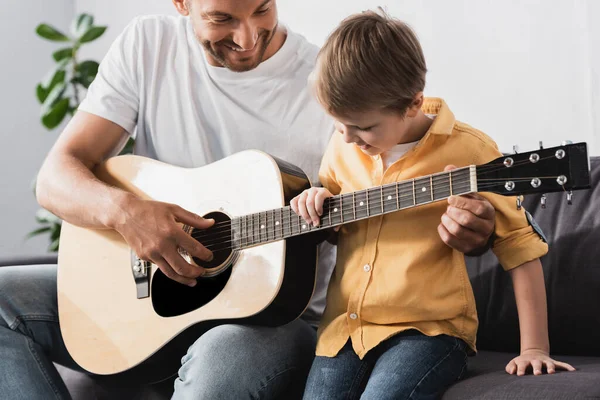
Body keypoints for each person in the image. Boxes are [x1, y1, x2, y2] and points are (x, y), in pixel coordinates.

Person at [0, 1, 496, 399]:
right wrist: (126, 213)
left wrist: (474, 230)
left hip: (281, 314)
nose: (247, 38)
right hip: (152, 297)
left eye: (262, 10)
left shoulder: (329, 87)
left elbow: (401, 182)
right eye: (222, 18)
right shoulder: (145, 46)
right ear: (181, 4)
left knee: (221, 358)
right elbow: (55, 178)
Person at [290, 9, 576, 400]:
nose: (349, 138)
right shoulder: (341, 149)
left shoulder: (470, 151)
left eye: (364, 127)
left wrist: (535, 349)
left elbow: (520, 248)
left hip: (429, 332)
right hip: (344, 331)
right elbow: (335, 223)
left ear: (413, 104)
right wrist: (316, 200)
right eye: (339, 125)